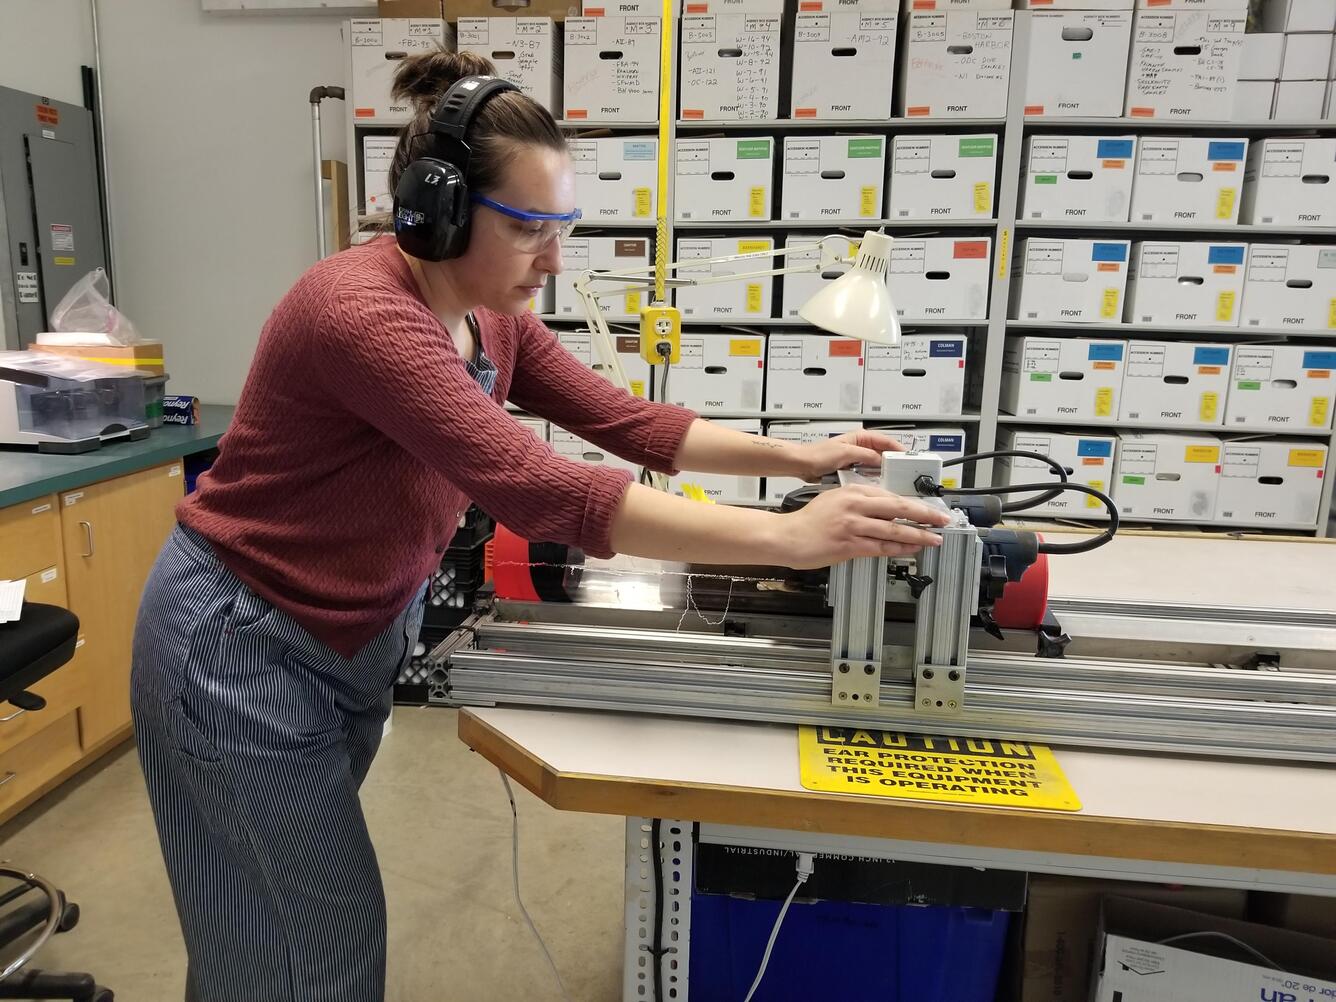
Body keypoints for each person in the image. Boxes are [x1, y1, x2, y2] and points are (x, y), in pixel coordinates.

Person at [129, 49, 949, 1002]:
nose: (555, 261)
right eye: (529, 229)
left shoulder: (489, 313)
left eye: (564, 228)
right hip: (239, 648)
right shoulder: (361, 314)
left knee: (258, 930)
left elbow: (625, 421)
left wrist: (798, 456)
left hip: (344, 640)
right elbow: (540, 486)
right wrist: (789, 538)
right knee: (315, 950)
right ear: (433, 211)